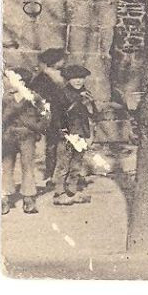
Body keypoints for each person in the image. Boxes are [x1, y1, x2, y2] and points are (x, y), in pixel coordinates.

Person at [2, 63, 54, 214]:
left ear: (23, 82)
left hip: (27, 136)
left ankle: (29, 197)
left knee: (28, 166)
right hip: (8, 136)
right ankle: (4, 198)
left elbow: (46, 115)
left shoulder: (34, 97)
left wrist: (38, 127)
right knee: (6, 167)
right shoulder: (6, 98)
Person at [51, 65, 95, 205]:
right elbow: (58, 115)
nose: (78, 81)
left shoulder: (86, 93)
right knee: (63, 164)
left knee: (76, 163)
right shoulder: (61, 94)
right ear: (68, 79)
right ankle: (59, 193)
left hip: (81, 132)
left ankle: (72, 190)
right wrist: (62, 131)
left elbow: (94, 114)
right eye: (74, 78)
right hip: (66, 133)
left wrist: (90, 105)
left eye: (81, 78)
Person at [27, 48, 69, 193]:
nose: (63, 62)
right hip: (51, 116)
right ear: (54, 61)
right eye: (61, 59)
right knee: (52, 146)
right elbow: (36, 97)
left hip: (63, 115)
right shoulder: (42, 78)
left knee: (62, 146)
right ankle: (50, 175)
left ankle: (62, 175)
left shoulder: (63, 75)